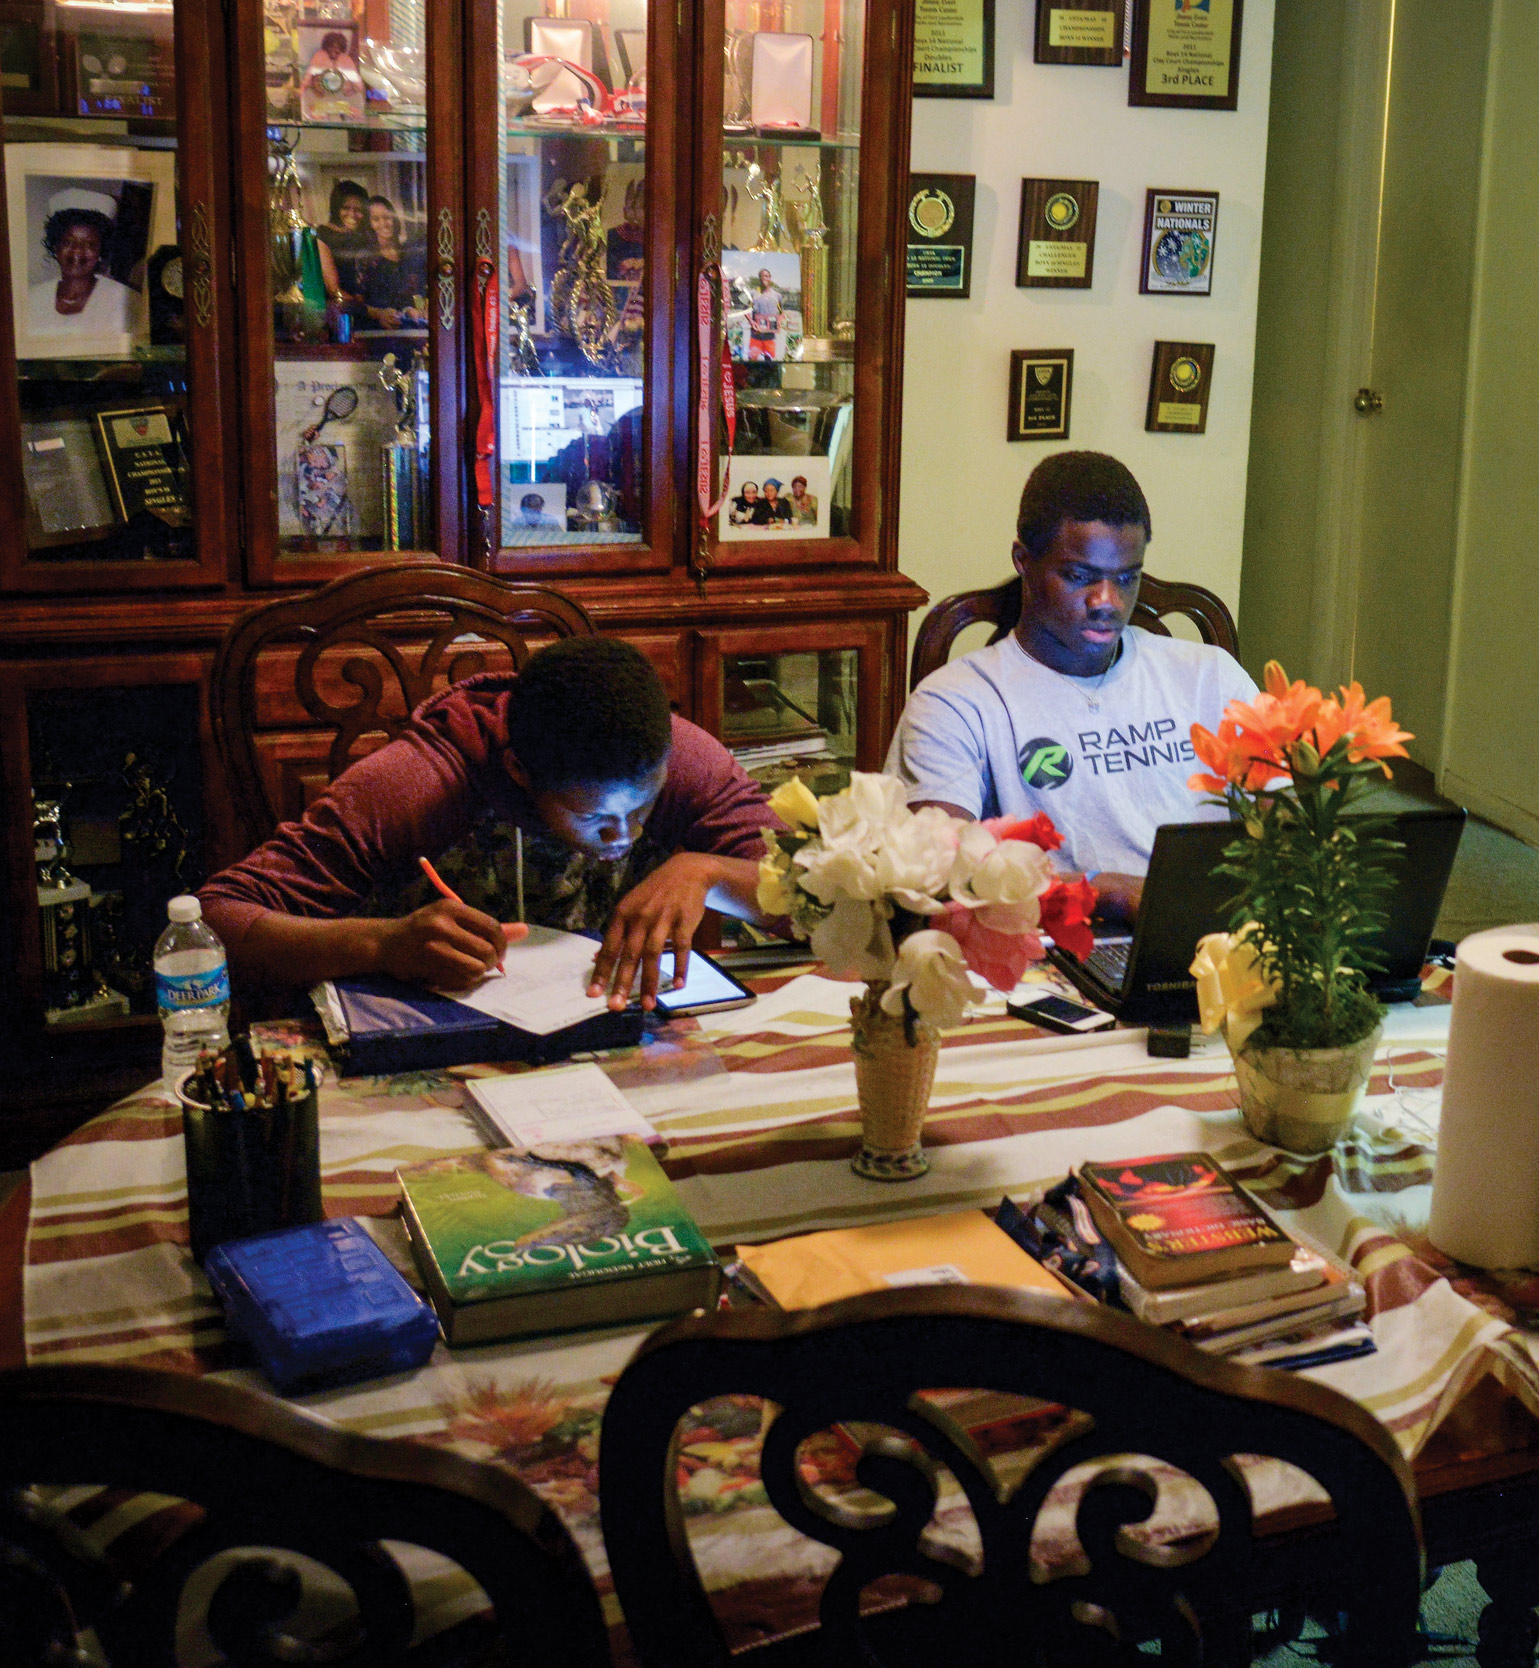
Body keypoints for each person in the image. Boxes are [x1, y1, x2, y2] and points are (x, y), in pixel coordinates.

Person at [200, 637, 785, 1011]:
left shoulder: (678, 757)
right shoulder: (419, 783)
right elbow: (215, 921)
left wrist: (709, 873)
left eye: (641, 810)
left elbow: (823, 896)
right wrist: (382, 943)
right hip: (435, 1040)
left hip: (618, 1031)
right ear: (519, 773)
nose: (624, 836)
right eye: (594, 818)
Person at [885, 451, 1258, 923]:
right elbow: (937, 873)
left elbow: (1295, 830)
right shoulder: (956, 701)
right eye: (1080, 577)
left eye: (1127, 577)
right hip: (1056, 941)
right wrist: (1108, 892)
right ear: (1024, 561)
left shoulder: (1211, 677)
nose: (1108, 601)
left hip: (1216, 935)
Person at [27, 192, 136, 338]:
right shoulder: (33, 298)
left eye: (89, 244)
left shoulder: (125, 299)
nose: (77, 251)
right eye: (68, 242)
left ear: (101, 251)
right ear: (55, 247)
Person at [355, 195, 427, 329]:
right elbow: (357, 302)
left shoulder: (410, 253)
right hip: (377, 330)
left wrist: (419, 309)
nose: (383, 223)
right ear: (369, 224)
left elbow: (417, 293)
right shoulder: (365, 258)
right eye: (376, 219)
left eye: (387, 217)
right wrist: (379, 314)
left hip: (411, 327)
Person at [314, 178, 371, 303]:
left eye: (358, 209)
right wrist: (368, 310)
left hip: (369, 305)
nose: (352, 214)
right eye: (346, 208)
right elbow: (334, 290)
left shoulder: (362, 234)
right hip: (341, 308)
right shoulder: (323, 235)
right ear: (336, 209)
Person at [747, 268, 782, 360]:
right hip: (756, 335)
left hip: (770, 337)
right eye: (761, 276)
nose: (764, 278)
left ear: (770, 278)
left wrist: (779, 321)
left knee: (769, 361)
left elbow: (782, 312)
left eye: (766, 276)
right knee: (752, 360)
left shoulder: (777, 295)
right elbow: (744, 310)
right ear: (759, 278)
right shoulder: (752, 293)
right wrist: (751, 321)